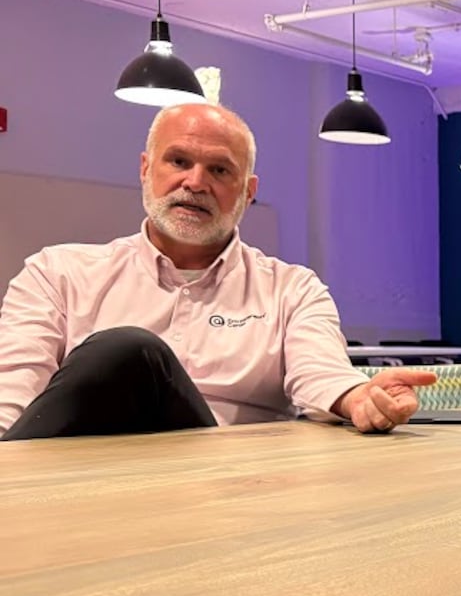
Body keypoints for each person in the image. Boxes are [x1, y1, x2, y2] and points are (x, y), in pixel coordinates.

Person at [0, 102, 433, 439]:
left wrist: (360, 397)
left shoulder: (292, 289)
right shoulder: (55, 274)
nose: (195, 182)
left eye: (220, 170)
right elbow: (12, 395)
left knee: (129, 353)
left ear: (248, 192)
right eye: (179, 161)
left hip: (228, 489)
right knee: (122, 353)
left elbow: (320, 370)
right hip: (79, 484)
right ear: (146, 170)